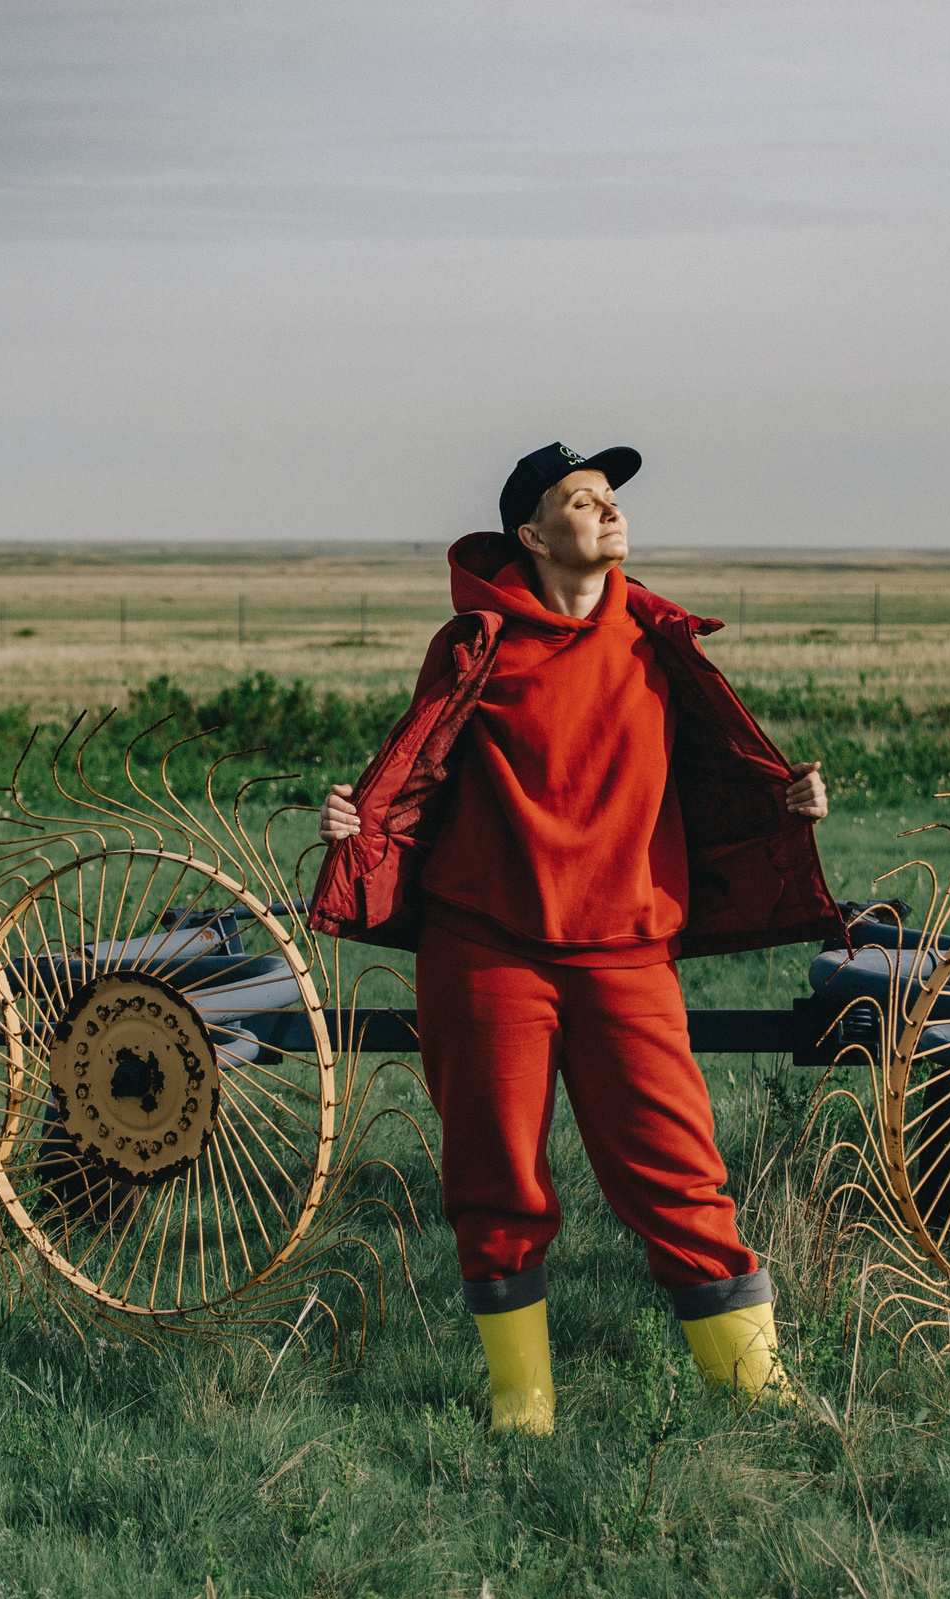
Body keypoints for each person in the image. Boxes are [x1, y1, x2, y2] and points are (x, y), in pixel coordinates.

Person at [310, 442, 841, 1435]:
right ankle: (524, 1403)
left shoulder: (656, 639)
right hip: (486, 950)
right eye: (579, 500)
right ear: (530, 533)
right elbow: (416, 762)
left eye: (609, 498)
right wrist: (364, 823)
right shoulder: (475, 642)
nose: (605, 511)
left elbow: (713, 767)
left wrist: (784, 801)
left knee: (680, 1170)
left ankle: (755, 1389)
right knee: (496, 1175)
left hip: (627, 951)